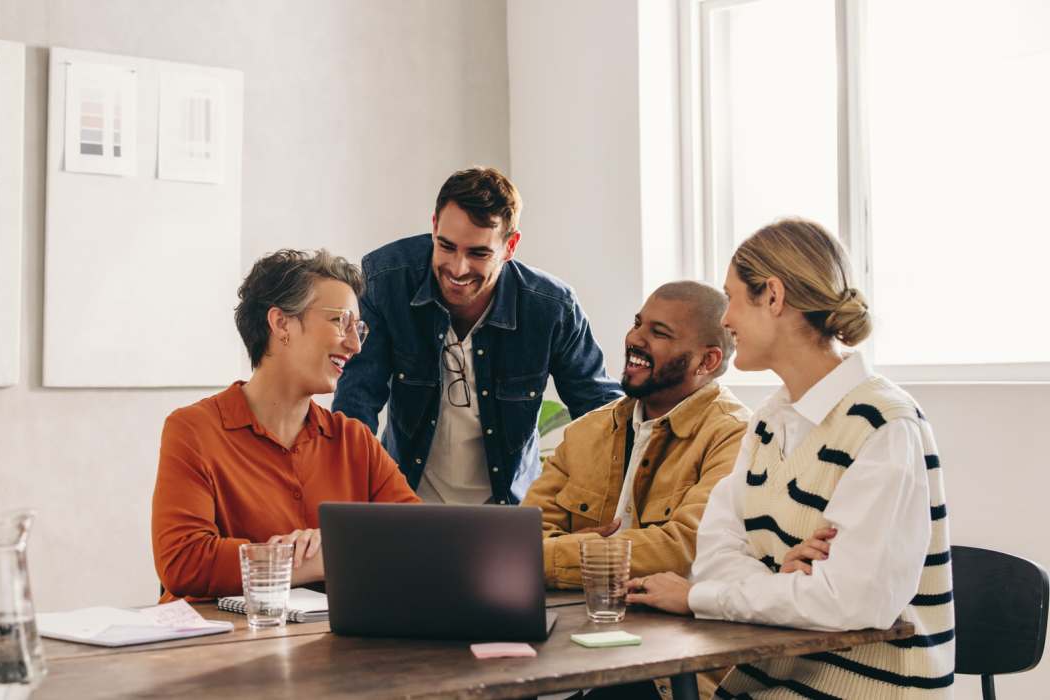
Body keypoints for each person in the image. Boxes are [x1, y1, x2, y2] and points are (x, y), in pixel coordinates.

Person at [627, 219, 954, 697]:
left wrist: (701, 597)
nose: (726, 318)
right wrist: (783, 575)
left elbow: (850, 602)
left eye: (733, 296)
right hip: (770, 682)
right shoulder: (768, 422)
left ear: (773, 297)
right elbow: (714, 557)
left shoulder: (885, 425)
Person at [331, 166, 622, 505]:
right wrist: (351, 507)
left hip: (508, 511)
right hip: (406, 503)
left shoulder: (552, 308)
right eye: (446, 246)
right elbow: (357, 403)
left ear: (510, 246)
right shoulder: (387, 279)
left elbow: (601, 415)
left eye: (478, 253)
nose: (458, 268)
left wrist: (590, 509)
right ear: (434, 226)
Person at [152, 249, 419, 601]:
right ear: (281, 324)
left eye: (359, 328)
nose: (354, 345)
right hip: (219, 650)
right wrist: (306, 560)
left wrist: (332, 550)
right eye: (341, 321)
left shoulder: (355, 441)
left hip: (332, 650)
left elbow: (419, 542)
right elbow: (185, 562)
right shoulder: (193, 430)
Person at [522, 281, 749, 588]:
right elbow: (526, 536)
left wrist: (575, 553)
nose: (634, 339)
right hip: (580, 612)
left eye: (659, 333)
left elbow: (683, 547)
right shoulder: (586, 431)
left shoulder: (734, 435)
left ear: (707, 361)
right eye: (637, 324)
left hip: (684, 628)